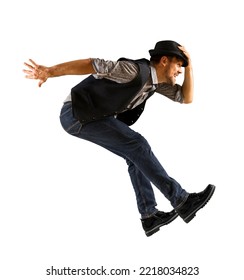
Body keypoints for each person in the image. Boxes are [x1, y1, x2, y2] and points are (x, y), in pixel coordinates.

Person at [23, 40, 215, 237]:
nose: (180, 72)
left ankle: (149, 215)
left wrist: (190, 66)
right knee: (138, 145)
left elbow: (186, 97)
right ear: (164, 61)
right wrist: (49, 71)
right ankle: (182, 201)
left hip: (92, 116)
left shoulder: (156, 84)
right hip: (75, 114)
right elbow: (92, 64)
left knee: (135, 156)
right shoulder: (133, 70)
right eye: (178, 66)